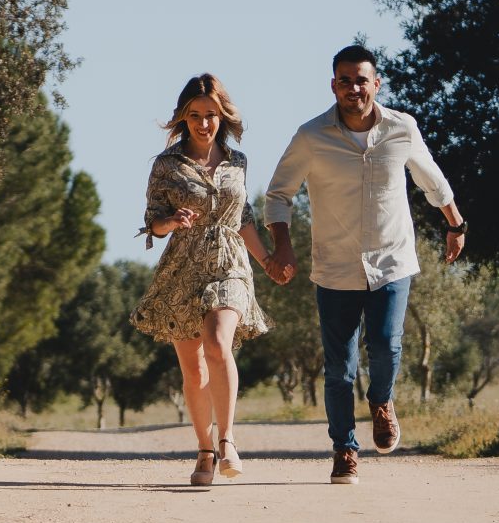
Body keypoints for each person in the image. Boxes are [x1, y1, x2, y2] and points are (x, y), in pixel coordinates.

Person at [260, 45, 465, 483]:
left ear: (377, 84)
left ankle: (381, 401)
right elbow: (278, 194)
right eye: (345, 81)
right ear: (333, 86)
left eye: (361, 80)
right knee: (339, 368)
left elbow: (431, 178)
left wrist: (455, 223)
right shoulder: (311, 136)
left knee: (386, 346)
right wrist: (283, 245)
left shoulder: (401, 128)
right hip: (335, 267)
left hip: (392, 261)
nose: (354, 88)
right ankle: (344, 449)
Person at [130, 73, 291, 485]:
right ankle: (204, 449)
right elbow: (153, 222)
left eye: (211, 115)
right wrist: (171, 220)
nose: (204, 124)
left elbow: (243, 218)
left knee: (219, 345)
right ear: (183, 118)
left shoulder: (238, 161)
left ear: (223, 117)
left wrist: (267, 260)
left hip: (229, 263)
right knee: (193, 367)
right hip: (183, 266)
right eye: (195, 115)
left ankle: (227, 440)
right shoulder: (166, 165)